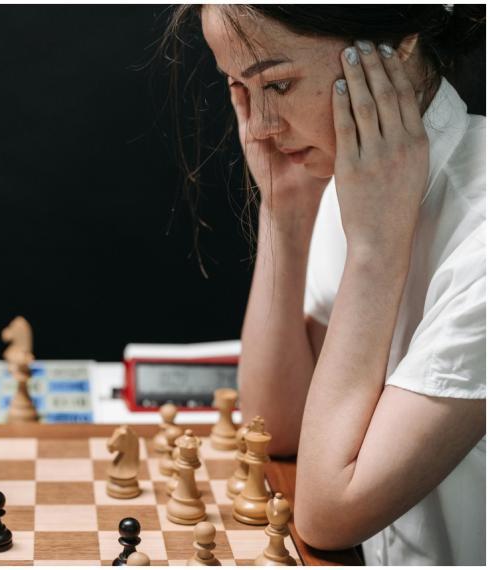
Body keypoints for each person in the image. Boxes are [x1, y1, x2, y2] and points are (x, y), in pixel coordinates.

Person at [162, 5, 485, 565]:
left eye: (279, 83)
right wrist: (285, 211)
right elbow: (275, 426)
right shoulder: (358, 176)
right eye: (240, 89)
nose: (259, 125)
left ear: (400, 41)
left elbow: (328, 515)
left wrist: (376, 252)